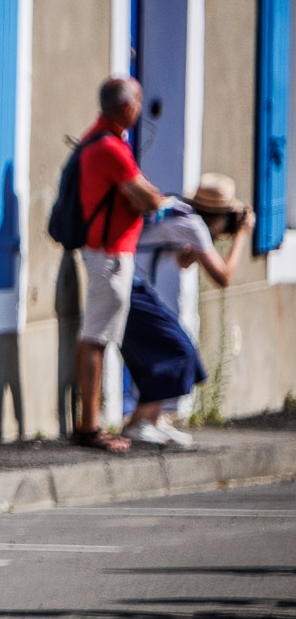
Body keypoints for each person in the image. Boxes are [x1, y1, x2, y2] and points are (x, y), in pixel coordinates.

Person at [71, 75, 171, 452]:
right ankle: (89, 427)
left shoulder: (98, 137)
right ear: (127, 107)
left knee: (96, 336)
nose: (141, 109)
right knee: (96, 339)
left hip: (105, 251)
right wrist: (151, 197)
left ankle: (89, 424)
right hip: (109, 255)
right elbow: (147, 198)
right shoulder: (110, 148)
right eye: (139, 102)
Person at [121, 173, 256, 446]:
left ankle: (153, 420)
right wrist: (241, 236)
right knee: (179, 350)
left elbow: (183, 261)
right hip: (129, 287)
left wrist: (206, 242)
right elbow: (223, 278)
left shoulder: (180, 213)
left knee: (170, 349)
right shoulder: (193, 224)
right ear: (218, 215)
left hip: (132, 283)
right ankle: (137, 423)